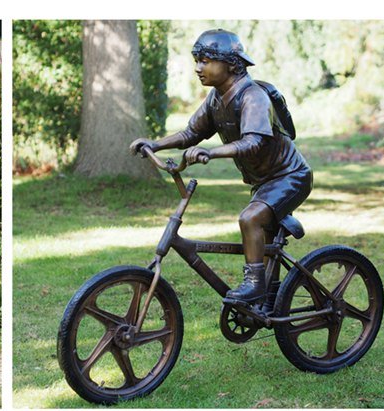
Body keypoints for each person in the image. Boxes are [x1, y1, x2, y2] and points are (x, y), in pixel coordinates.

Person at [131, 29, 312, 306]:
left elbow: (253, 142)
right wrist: (155, 145)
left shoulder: (253, 96)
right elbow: (191, 133)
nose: (198, 68)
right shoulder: (216, 98)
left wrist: (211, 152)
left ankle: (254, 285)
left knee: (250, 218)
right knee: (261, 235)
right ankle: (268, 296)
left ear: (230, 64)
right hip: (264, 181)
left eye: (205, 60)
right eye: (197, 60)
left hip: (290, 176)